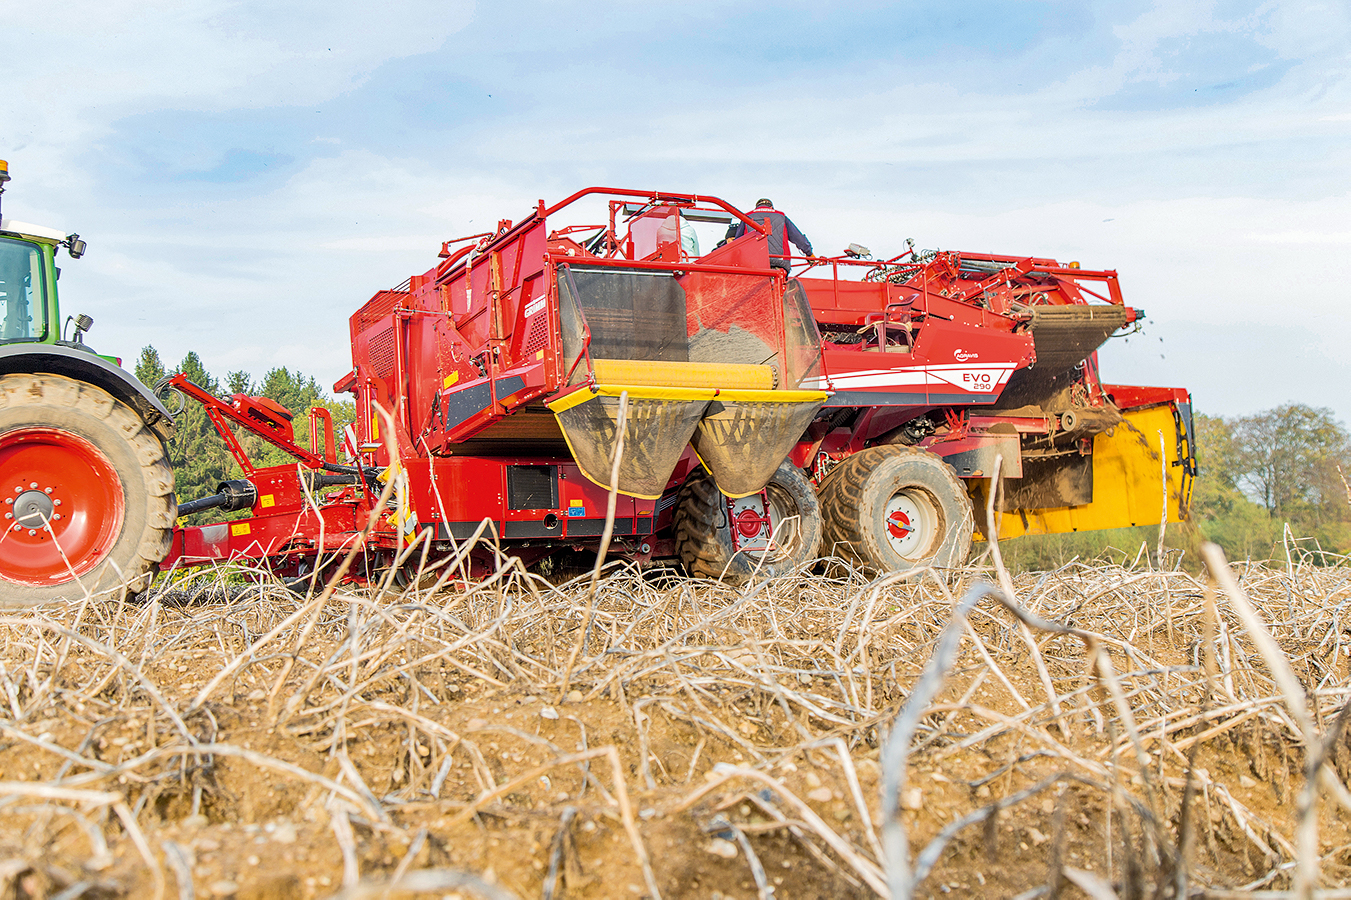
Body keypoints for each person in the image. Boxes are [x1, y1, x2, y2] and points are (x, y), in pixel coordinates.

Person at [723, 198, 813, 270]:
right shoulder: (781, 216)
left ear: (756, 207)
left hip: (753, 263)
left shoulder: (747, 217)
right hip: (780, 262)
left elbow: (738, 243)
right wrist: (809, 253)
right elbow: (798, 238)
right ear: (771, 207)